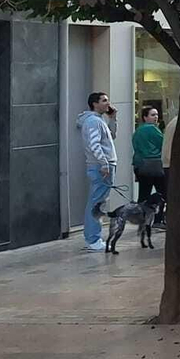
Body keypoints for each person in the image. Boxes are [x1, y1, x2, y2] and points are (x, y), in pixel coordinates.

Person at [75, 92, 116, 251]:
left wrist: (113, 119)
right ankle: (93, 239)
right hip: (101, 166)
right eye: (104, 100)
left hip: (103, 165)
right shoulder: (93, 121)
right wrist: (104, 163)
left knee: (99, 201)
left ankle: (93, 237)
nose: (108, 103)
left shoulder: (100, 120)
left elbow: (112, 137)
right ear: (94, 103)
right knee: (97, 202)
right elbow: (94, 144)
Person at [132, 106, 166, 209]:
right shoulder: (153, 129)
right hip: (154, 165)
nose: (156, 117)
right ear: (145, 117)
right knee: (162, 193)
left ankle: (140, 216)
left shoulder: (138, 131)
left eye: (156, 114)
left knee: (143, 193)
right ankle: (157, 218)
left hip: (140, 165)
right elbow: (163, 144)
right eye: (152, 115)